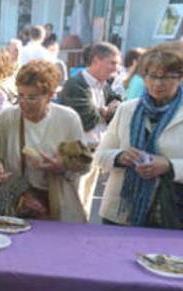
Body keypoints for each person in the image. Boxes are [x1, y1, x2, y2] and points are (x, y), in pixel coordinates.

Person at [95, 43, 183, 229]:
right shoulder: (127, 109)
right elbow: (100, 156)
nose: (158, 84)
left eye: (167, 77)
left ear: (182, 76)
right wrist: (120, 157)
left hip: (169, 213)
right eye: (152, 76)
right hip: (119, 212)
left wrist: (168, 166)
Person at [0, 60, 89, 222]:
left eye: (32, 98)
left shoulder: (67, 119)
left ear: (50, 95)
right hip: (17, 203)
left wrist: (61, 165)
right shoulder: (7, 118)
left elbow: (84, 164)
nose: (24, 103)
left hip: (57, 203)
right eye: (20, 95)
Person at [58, 42, 123, 216]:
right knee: (73, 205)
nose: (116, 68)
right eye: (113, 63)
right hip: (77, 154)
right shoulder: (76, 84)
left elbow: (119, 106)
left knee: (85, 206)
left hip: (95, 152)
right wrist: (105, 111)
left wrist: (104, 111)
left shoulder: (104, 85)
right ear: (96, 60)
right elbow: (85, 119)